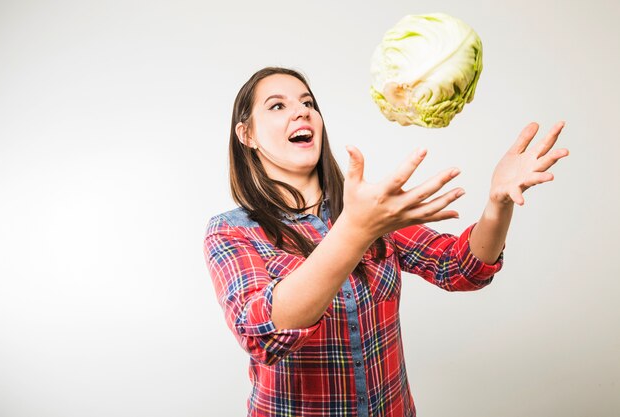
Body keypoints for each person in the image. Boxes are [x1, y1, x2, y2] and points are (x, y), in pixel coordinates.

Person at [203, 66, 568, 417]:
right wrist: (356, 231)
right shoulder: (232, 232)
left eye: (308, 103)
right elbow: (262, 333)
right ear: (246, 134)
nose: (301, 112)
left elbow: (460, 268)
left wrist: (497, 202)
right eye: (278, 105)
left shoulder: (367, 208)